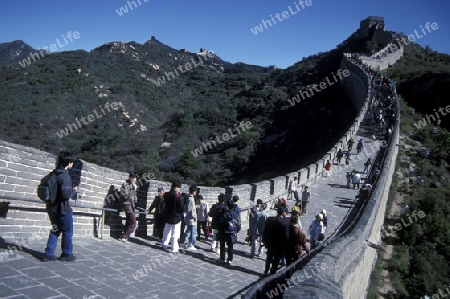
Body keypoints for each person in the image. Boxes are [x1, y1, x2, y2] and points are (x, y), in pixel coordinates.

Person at [41, 151, 78, 262]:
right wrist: (74, 191)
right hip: (63, 209)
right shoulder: (65, 176)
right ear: (68, 163)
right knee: (67, 231)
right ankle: (66, 254)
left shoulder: (51, 174)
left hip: (51, 208)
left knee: (55, 230)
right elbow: (66, 194)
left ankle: (48, 254)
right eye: (72, 162)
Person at [263, 207, 289, 275]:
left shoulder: (269, 219)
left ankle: (266, 270)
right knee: (276, 260)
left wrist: (265, 242)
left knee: (269, 257)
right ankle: (272, 272)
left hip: (270, 243)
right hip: (279, 245)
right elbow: (286, 237)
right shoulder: (284, 223)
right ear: (283, 213)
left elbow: (265, 231)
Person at [161, 180, 183, 253]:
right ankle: (174, 248)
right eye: (179, 188)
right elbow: (180, 206)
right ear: (176, 187)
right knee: (175, 233)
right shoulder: (177, 196)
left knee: (166, 230)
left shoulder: (166, 194)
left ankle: (164, 244)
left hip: (168, 215)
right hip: (176, 216)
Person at [218, 198, 240, 265]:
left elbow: (220, 223)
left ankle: (222, 259)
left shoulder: (225, 214)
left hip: (224, 232)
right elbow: (238, 224)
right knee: (230, 246)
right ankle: (229, 259)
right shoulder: (236, 214)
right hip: (232, 232)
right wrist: (236, 231)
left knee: (222, 245)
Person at [120, 172, 138, 244]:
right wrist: (134, 189)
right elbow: (126, 196)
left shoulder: (133, 185)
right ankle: (125, 236)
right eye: (132, 177)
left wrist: (134, 190)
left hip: (132, 205)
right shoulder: (125, 185)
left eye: (135, 178)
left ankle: (124, 236)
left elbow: (135, 199)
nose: (133, 179)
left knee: (128, 222)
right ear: (129, 177)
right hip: (127, 205)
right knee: (133, 223)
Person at [182, 185, 198, 250]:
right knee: (193, 232)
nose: (196, 193)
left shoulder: (187, 197)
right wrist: (194, 217)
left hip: (188, 218)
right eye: (195, 191)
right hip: (191, 219)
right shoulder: (191, 199)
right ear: (193, 191)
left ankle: (182, 241)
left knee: (188, 231)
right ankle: (191, 244)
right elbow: (190, 210)